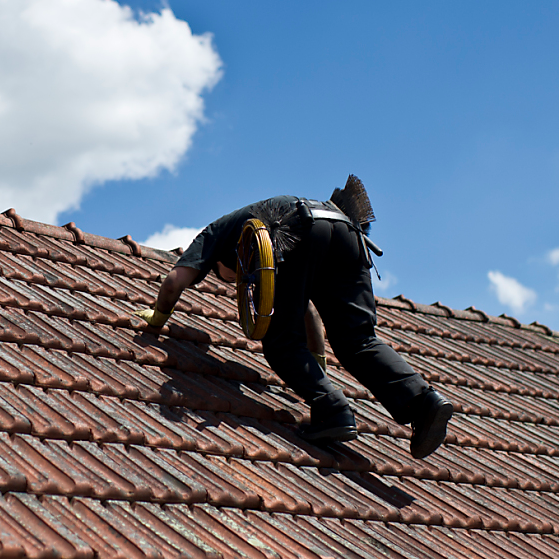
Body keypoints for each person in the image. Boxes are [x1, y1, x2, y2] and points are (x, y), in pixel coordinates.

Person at [135, 180, 453, 459]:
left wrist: (158, 318)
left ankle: (334, 412)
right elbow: (307, 311)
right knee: (356, 340)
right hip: (345, 229)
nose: (235, 283)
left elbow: (175, 280)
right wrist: (316, 366)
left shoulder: (214, 235)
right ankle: (422, 402)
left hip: (293, 228)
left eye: (226, 278)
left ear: (218, 262)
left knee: (280, 342)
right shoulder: (246, 232)